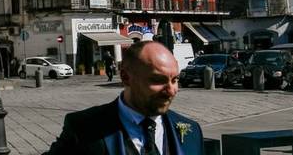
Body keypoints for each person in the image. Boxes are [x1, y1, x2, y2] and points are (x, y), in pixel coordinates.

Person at [45, 40, 204, 155]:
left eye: (175, 80)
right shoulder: (83, 128)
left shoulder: (192, 131)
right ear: (126, 78)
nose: (171, 90)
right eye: (157, 80)